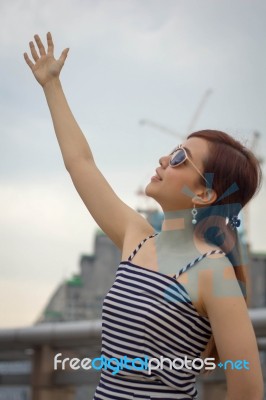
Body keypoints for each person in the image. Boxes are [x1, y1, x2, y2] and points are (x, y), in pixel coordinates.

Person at [24, 33, 264, 400]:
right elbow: (80, 164)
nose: (165, 159)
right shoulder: (136, 238)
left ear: (204, 194)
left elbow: (246, 389)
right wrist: (52, 85)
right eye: (172, 151)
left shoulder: (214, 271)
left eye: (181, 158)